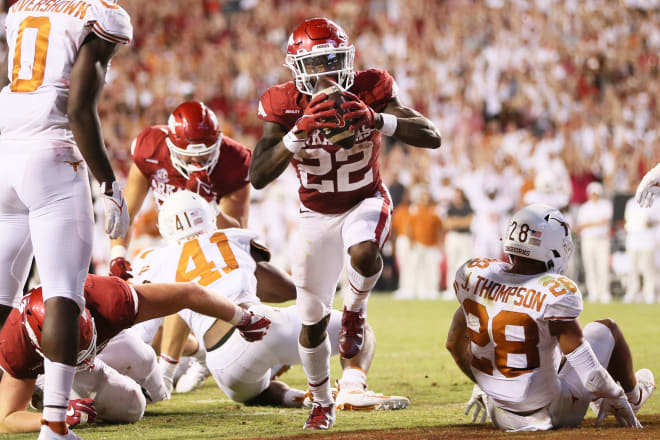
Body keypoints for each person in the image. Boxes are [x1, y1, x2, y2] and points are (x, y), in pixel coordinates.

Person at [249, 17, 441, 429]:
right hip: (315, 216)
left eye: (333, 60)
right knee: (312, 320)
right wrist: (295, 135)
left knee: (365, 250)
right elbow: (259, 175)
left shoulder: (371, 87)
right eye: (316, 64)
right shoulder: (282, 104)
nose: (326, 72)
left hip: (365, 199)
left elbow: (430, 134)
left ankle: (354, 310)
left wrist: (377, 119)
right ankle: (321, 401)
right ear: (299, 68)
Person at [131, 190, 410, 410]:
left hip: (222, 365)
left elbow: (142, 329)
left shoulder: (152, 259)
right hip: (258, 326)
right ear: (206, 215)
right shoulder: (232, 237)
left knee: (256, 391)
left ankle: (298, 398)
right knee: (360, 329)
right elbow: (281, 288)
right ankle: (351, 387)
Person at [0, 2, 133, 439]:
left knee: (2, 291)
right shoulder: (100, 13)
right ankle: (55, 426)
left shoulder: (22, 7)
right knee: (63, 292)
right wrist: (109, 184)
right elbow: (79, 109)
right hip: (51, 152)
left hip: (6, 151)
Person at [446, 204, 654, 432]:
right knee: (607, 328)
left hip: (499, 412)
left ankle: (597, 397)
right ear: (553, 248)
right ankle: (634, 396)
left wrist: (487, 384)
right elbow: (590, 373)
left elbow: (455, 345)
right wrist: (616, 396)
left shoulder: (476, 276)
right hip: (551, 413)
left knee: (549, 348)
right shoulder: (555, 290)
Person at [0, 273, 271, 435]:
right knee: (132, 406)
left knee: (144, 362)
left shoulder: (108, 300)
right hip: (46, 373)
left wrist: (242, 318)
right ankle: (48, 396)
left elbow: (188, 292)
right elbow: (6, 418)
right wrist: (53, 417)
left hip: (104, 339)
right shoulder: (15, 344)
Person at [107, 100, 255, 394]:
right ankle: (201, 354)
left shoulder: (234, 158)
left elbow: (235, 229)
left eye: (206, 154)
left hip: (215, 248)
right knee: (146, 323)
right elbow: (125, 210)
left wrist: (206, 203)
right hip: (171, 241)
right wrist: (118, 253)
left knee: (179, 282)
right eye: (189, 156)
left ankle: (165, 372)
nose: (197, 162)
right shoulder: (151, 147)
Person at [576, 182, 612, 303]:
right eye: (592, 193)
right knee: (590, 267)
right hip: (588, 240)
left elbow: (605, 220)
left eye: (596, 193)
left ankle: (604, 292)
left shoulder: (605, 205)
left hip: (602, 239)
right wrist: (596, 223)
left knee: (602, 266)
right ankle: (593, 292)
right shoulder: (584, 207)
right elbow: (581, 225)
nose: (594, 196)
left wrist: (589, 224)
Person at [623, 197, 658, 304]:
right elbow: (627, 220)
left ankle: (649, 294)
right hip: (633, 241)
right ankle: (632, 292)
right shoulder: (630, 202)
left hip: (647, 242)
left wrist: (650, 222)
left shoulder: (654, 202)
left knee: (648, 270)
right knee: (632, 270)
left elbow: (657, 219)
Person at [443, 188, 474, 300]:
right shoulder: (450, 208)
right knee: (452, 263)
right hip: (453, 237)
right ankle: (451, 289)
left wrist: (455, 221)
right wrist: (461, 221)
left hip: (465, 237)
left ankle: (463, 289)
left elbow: (468, 222)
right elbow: (447, 224)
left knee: (465, 264)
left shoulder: (468, 208)